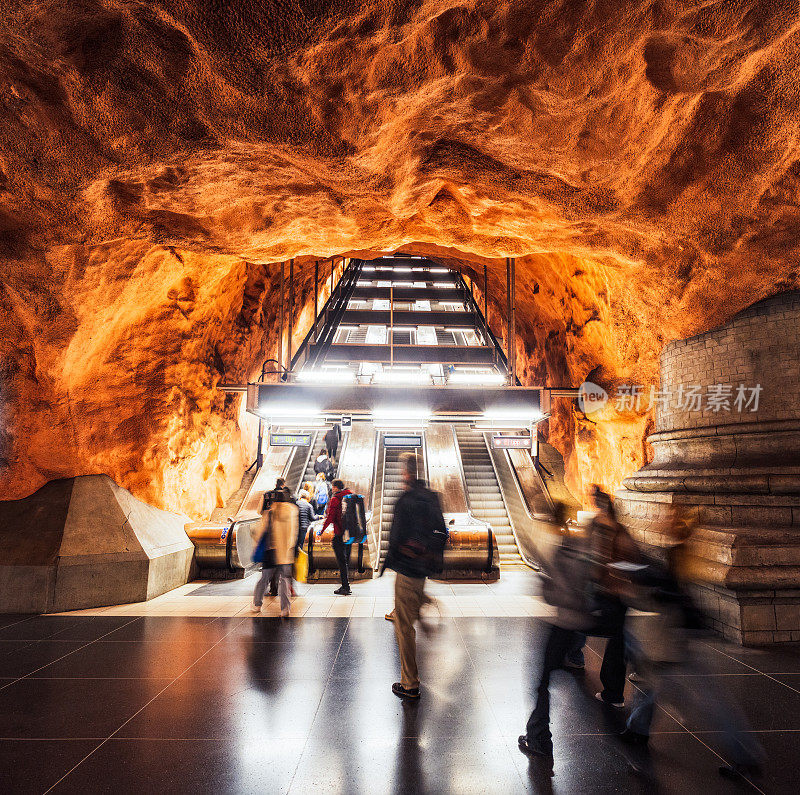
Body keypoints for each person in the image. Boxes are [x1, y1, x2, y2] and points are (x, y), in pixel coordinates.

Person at [383, 452, 448, 700]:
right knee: (411, 605)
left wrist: (391, 562)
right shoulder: (432, 498)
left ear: (405, 472)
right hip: (423, 569)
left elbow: (395, 537)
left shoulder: (406, 500)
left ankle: (409, 683)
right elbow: (442, 531)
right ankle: (424, 601)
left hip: (408, 570)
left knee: (403, 625)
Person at [251, 488, 299, 617]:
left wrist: (256, 542)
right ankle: (285, 609)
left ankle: (257, 604)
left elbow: (261, 531)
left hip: (271, 551)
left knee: (264, 579)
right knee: (285, 580)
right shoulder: (292, 511)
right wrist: (290, 547)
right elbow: (294, 533)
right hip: (285, 552)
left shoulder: (271, 511)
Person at [317, 478, 353, 595]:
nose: (332, 489)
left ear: (336, 487)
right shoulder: (349, 495)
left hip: (339, 534)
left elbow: (330, 517)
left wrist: (321, 531)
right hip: (350, 533)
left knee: (341, 561)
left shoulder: (336, 499)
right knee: (345, 560)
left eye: (333, 487)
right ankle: (346, 585)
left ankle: (345, 586)